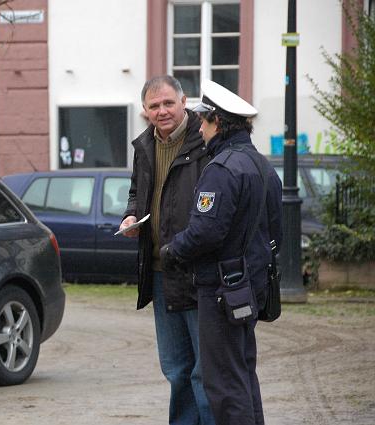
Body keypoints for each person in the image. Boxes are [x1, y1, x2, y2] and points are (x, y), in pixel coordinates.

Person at [159, 80, 283, 425]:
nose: (200, 127)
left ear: (217, 121)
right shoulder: (262, 165)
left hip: (221, 290)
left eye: (204, 120)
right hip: (249, 287)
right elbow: (276, 234)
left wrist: (173, 250)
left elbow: (205, 231)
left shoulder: (222, 168)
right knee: (243, 374)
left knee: (224, 384)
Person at [119, 76, 215, 425]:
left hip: (199, 273)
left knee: (205, 372)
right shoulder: (144, 146)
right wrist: (131, 214)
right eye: (154, 106)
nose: (162, 111)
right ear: (144, 110)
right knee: (176, 369)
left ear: (183, 101)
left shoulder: (205, 142)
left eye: (168, 103)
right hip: (160, 273)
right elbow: (136, 191)